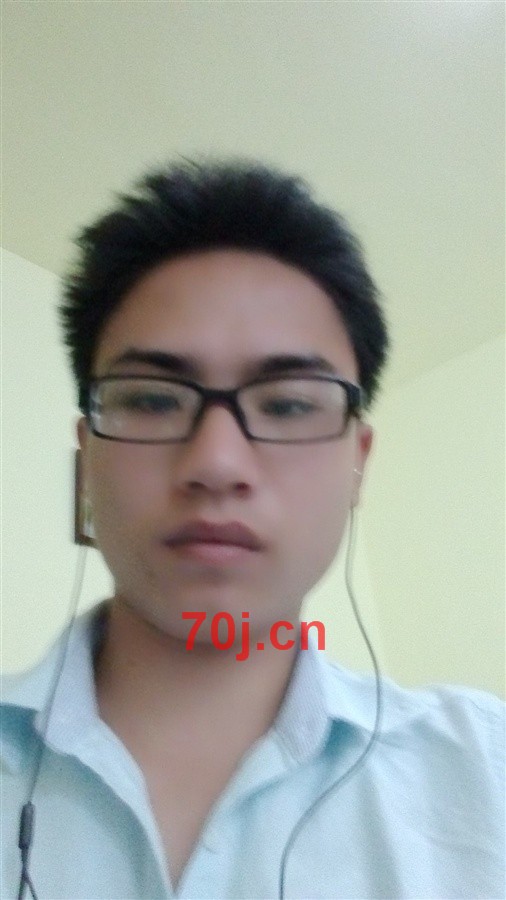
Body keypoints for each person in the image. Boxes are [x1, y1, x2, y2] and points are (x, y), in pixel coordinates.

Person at [1, 159, 504, 900]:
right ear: (88, 460)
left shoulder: (485, 774)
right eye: (152, 399)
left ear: (357, 462)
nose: (216, 463)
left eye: (289, 404)